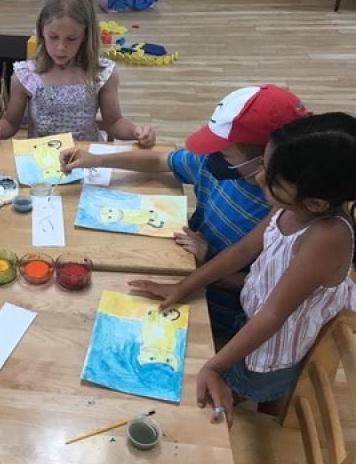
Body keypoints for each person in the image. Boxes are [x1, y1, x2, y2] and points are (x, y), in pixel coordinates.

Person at [128, 113, 356, 425]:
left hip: (275, 347)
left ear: (316, 204)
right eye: (265, 164)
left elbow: (273, 316)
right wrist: (184, 286)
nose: (259, 178)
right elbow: (244, 250)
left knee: (202, 408)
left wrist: (214, 367)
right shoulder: (292, 204)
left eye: (273, 179)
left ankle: (257, 403)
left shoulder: (328, 236)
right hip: (255, 314)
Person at [61, 85, 310, 343]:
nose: (210, 157)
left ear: (266, 159)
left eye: (223, 151)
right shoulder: (214, 166)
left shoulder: (284, 211)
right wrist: (96, 160)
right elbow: (161, 161)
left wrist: (205, 261)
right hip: (185, 270)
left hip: (223, 315)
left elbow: (263, 289)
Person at [0, 0, 155, 147]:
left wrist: (136, 131)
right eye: (53, 37)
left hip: (88, 160)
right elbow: (11, 123)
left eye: (71, 39)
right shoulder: (26, 75)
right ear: (41, 31)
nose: (60, 47)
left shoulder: (101, 73)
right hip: (43, 161)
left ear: (85, 35)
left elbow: (114, 122)